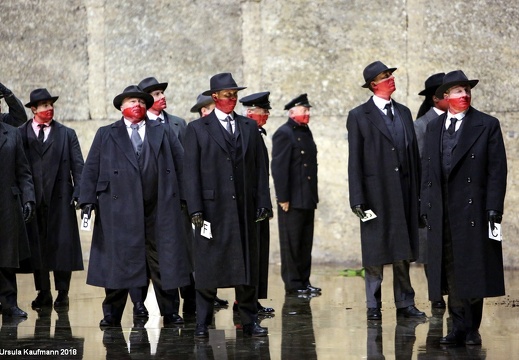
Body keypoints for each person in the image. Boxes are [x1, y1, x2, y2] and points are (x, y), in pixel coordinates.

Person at [79, 85, 192, 328]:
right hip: (118, 210)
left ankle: (170, 312)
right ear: (121, 107)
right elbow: (91, 169)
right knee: (118, 262)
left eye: (141, 102)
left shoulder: (162, 131)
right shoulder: (106, 133)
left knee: (164, 261)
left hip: (158, 207)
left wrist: (189, 200)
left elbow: (182, 165)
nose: (137, 106)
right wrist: (87, 201)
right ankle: (112, 314)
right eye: (131, 102)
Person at [420, 70, 507, 346]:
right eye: (458, 91)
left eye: (467, 90)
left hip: (473, 211)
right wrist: (425, 203)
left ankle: (472, 328)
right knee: (450, 268)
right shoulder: (433, 128)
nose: (465, 95)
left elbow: (497, 170)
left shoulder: (487, 124)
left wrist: (494, 208)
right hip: (443, 209)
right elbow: (428, 170)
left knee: (473, 268)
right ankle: (458, 326)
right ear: (446, 96)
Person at [183, 72, 271, 338]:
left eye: (234, 95)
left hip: (244, 209)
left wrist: (263, 202)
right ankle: (202, 322)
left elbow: (259, 169)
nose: (231, 99)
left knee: (246, 267)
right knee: (209, 269)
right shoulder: (197, 129)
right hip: (212, 210)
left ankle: (249, 320)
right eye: (226, 95)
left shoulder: (248, 127)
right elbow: (191, 172)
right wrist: (196, 209)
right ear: (214, 97)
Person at [346, 61, 425, 321]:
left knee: (402, 250)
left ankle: (405, 303)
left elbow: (413, 156)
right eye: (384, 76)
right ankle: (373, 305)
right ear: (373, 85)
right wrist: (357, 198)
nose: (391, 79)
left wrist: (420, 196)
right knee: (375, 252)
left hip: (403, 192)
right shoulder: (359, 115)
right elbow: (354, 160)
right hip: (375, 194)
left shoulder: (404, 112)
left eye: (391, 75)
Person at [19, 88, 84, 311]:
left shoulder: (67, 134)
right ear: (34, 109)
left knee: (62, 246)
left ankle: (63, 293)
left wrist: (79, 193)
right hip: (33, 200)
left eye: (51, 104)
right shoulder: (21, 133)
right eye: (44, 105)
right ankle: (43, 292)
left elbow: (79, 167)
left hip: (61, 199)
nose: (49, 109)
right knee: (38, 248)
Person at [271, 93, 320, 296]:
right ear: (292, 112)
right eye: (304, 110)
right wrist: (283, 197)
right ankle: (293, 283)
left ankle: (304, 280)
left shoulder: (305, 132)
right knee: (291, 244)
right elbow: (279, 168)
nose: (307, 113)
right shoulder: (284, 133)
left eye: (308, 110)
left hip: (307, 197)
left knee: (304, 243)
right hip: (291, 198)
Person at [414, 73, 449, 310]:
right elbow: (416, 165)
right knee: (431, 248)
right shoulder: (422, 125)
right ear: (436, 98)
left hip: (453, 197)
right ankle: (436, 295)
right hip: (430, 196)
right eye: (447, 93)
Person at [239, 91, 275, 315]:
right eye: (263, 111)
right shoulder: (245, 134)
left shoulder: (256, 134)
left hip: (258, 203)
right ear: (251, 113)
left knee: (259, 254)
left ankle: (252, 299)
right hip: (249, 203)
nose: (267, 115)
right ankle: (245, 302)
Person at [0, 121, 35, 318]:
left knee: (6, 255)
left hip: (6, 202)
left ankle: (9, 303)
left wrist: (29, 198)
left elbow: (23, 171)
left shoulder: (12, 133)